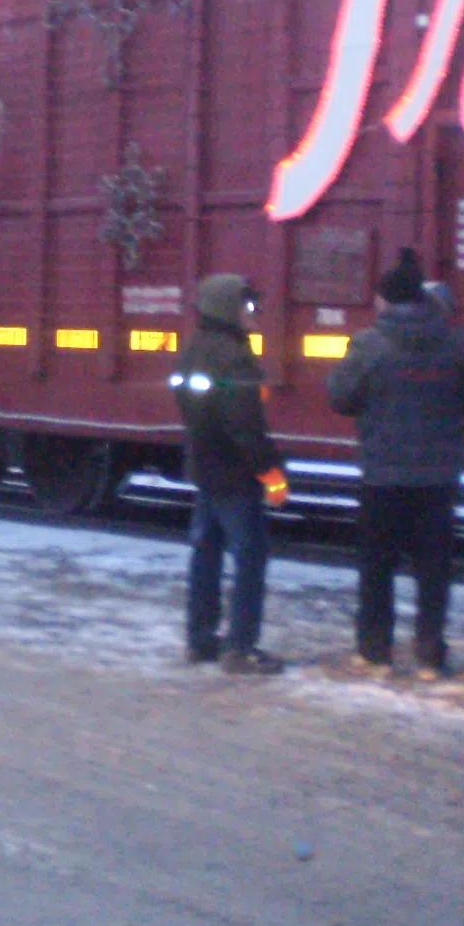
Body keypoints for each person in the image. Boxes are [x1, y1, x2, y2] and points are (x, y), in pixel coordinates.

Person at [326, 248, 464, 677]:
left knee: (377, 565)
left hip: (384, 473)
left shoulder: (370, 344)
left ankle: (375, 650)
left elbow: (340, 397)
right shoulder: (457, 342)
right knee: (434, 569)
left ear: (386, 300)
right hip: (439, 474)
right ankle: (430, 654)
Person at [171, 272, 289, 675]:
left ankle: (200, 641)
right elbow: (247, 429)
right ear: (228, 309)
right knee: (250, 558)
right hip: (236, 476)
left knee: (205, 554)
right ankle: (240, 648)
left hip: (205, 468)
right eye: (247, 305)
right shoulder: (235, 358)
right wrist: (272, 474)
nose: (254, 312)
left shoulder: (193, 349)